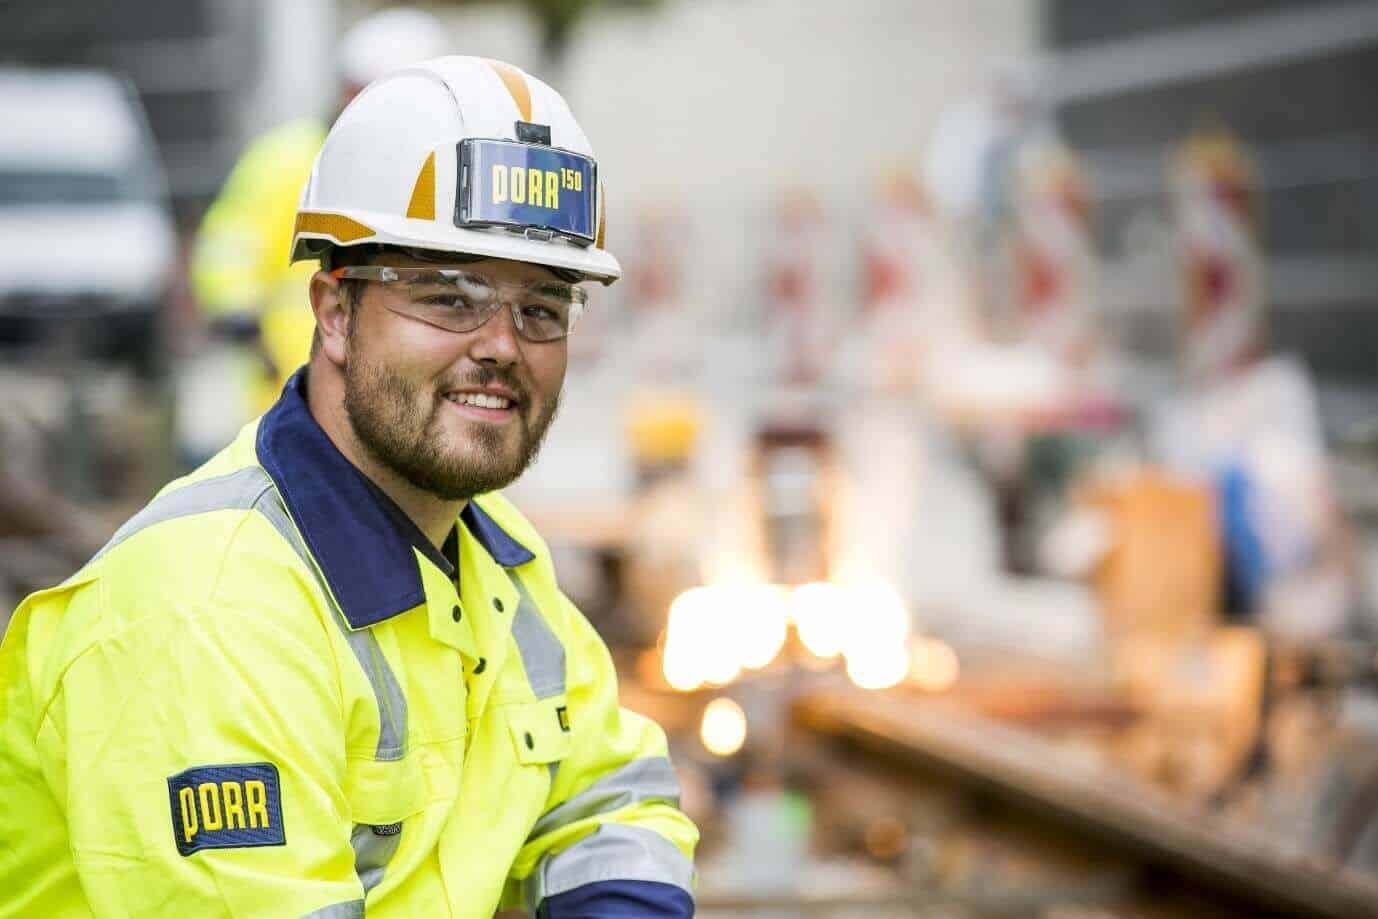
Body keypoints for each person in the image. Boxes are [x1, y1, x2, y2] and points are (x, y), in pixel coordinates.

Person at [0, 56, 697, 917]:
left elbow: (613, 802)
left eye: (542, 309)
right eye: (450, 296)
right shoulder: (204, 610)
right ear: (333, 311)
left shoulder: (495, 561)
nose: (502, 344)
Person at [188, 8, 450, 429]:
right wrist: (240, 316)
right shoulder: (287, 159)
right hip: (286, 386)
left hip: (391, 395)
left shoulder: (434, 174)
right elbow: (230, 246)